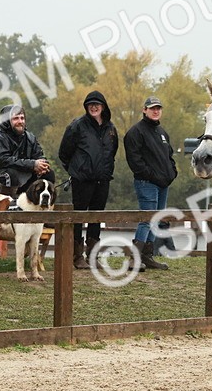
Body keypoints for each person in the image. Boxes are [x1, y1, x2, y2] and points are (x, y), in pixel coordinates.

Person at [59, 90, 118, 269]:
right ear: (86, 107)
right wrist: (76, 170)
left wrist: (106, 171)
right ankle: (76, 256)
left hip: (102, 180)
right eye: (90, 104)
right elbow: (64, 152)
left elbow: (112, 151)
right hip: (82, 180)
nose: (94, 107)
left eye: (97, 104)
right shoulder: (77, 126)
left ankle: (93, 255)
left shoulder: (110, 128)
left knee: (96, 217)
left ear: (103, 107)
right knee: (78, 216)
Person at [125, 96, 178, 271]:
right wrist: (154, 176)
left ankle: (147, 256)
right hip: (146, 183)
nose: (156, 111)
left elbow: (169, 156)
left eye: (158, 108)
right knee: (146, 219)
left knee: (156, 219)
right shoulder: (135, 132)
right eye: (152, 108)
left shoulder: (162, 133)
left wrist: (172, 172)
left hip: (163, 184)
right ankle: (134, 258)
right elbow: (135, 162)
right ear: (144, 110)